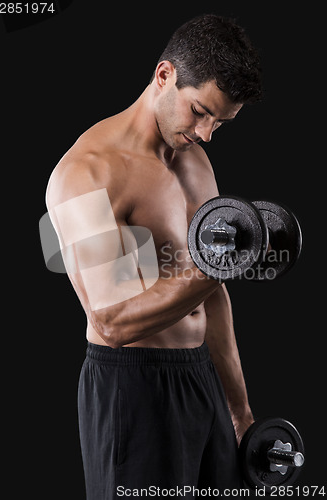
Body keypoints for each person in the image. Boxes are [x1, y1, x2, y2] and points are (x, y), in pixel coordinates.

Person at [46, 14, 262, 499]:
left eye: (221, 123)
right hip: (132, 387)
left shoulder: (196, 160)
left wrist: (240, 410)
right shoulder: (87, 172)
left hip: (200, 378)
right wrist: (217, 265)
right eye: (200, 112)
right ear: (164, 75)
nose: (207, 133)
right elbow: (111, 322)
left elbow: (214, 295)